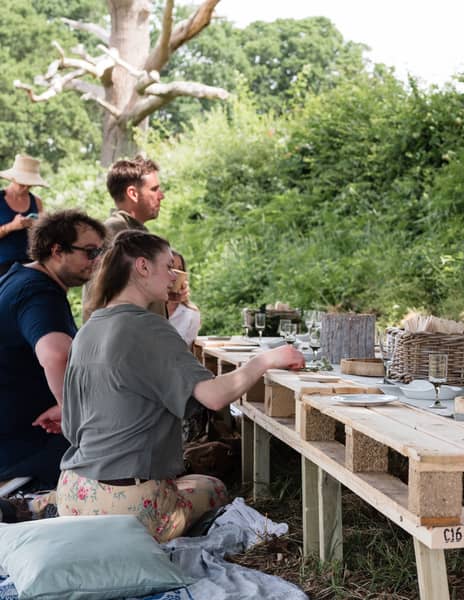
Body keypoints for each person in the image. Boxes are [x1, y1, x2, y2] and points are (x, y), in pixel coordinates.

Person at [57, 230, 305, 541]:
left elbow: (71, 426)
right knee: (212, 487)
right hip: (127, 509)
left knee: (189, 481)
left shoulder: (89, 329)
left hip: (73, 493)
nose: (174, 277)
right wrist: (265, 360)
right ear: (143, 267)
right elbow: (213, 397)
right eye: (168, 266)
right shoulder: (149, 327)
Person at [0, 209, 106, 489]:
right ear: (57, 250)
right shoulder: (39, 292)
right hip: (27, 449)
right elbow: (57, 354)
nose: (96, 261)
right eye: (90, 252)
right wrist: (71, 411)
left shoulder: (19, 279)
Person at [82, 155, 166, 322]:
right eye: (154, 189)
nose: (161, 196)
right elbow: (97, 297)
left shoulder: (133, 233)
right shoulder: (112, 235)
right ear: (133, 193)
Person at [0, 154, 48, 276]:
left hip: (30, 265)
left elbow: (45, 236)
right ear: (13, 178)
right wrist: (11, 226)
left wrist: (36, 226)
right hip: (3, 267)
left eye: (30, 185)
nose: (26, 188)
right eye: (22, 184)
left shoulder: (36, 201)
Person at [167, 250, 201, 346]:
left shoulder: (191, 314)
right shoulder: (146, 307)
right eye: (170, 268)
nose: (176, 275)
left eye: (180, 269)